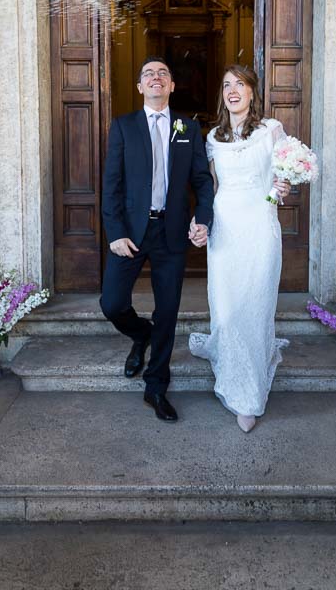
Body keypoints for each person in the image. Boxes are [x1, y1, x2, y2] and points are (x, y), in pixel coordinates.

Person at [100, 57, 214, 422]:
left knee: (168, 311)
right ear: (139, 87)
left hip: (171, 232)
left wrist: (203, 216)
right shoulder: (123, 127)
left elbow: (201, 180)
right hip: (131, 233)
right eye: (148, 73)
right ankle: (141, 334)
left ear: (172, 86)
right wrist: (115, 232)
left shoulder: (188, 128)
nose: (156, 78)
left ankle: (156, 385)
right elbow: (111, 185)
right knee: (112, 303)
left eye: (163, 74)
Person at [189, 64, 290, 433]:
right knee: (229, 310)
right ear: (223, 95)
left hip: (260, 226)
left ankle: (248, 398)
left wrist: (284, 188)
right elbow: (211, 188)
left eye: (240, 84)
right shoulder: (213, 137)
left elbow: (284, 177)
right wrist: (199, 222)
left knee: (256, 303)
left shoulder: (271, 131)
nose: (233, 90)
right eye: (227, 84)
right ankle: (233, 379)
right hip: (226, 228)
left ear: (252, 93)